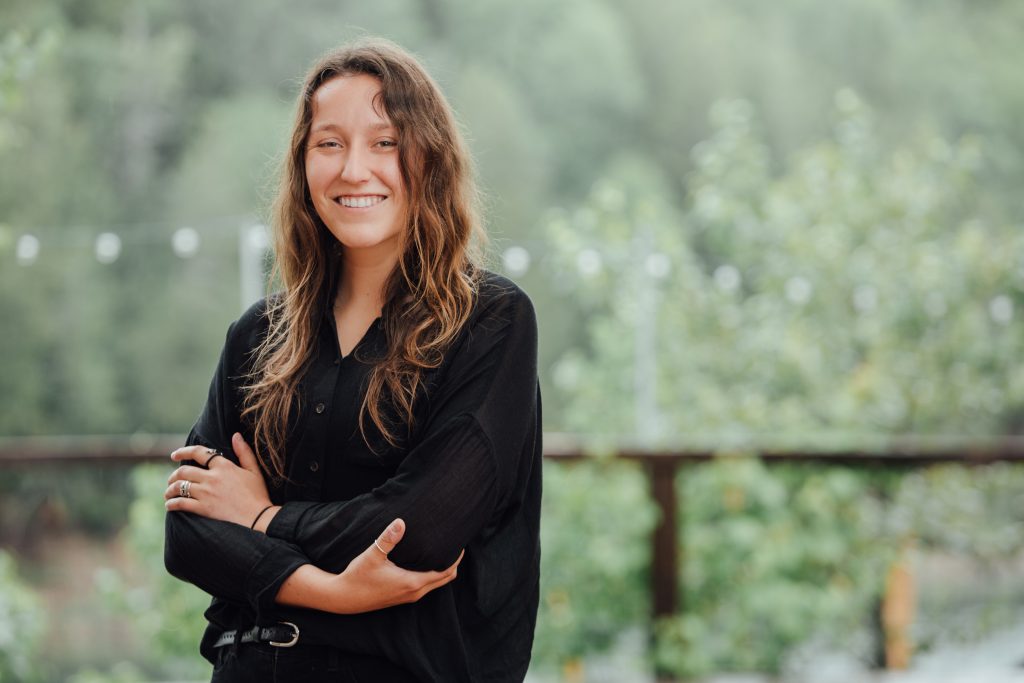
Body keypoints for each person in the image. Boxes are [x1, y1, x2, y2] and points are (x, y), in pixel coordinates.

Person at [162, 38, 542, 683]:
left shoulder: (490, 322)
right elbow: (190, 532)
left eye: (385, 142)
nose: (353, 169)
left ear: (430, 157)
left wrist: (261, 518)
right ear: (302, 165)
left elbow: (421, 529)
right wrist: (331, 593)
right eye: (329, 143)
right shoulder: (256, 335)